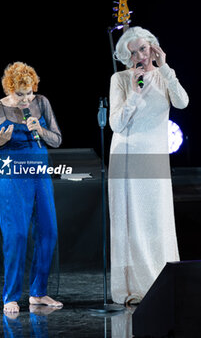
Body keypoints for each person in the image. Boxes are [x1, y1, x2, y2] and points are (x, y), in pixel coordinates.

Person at [108, 26, 189, 305]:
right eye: (133, 52)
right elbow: (116, 123)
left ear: (153, 48)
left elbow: (182, 102)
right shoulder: (120, 79)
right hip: (127, 158)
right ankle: (132, 287)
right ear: (127, 57)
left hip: (154, 159)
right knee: (132, 223)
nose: (139, 56)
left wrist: (165, 69)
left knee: (157, 218)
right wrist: (134, 91)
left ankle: (160, 282)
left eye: (143, 49)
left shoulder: (164, 76)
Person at [0, 61, 63, 313]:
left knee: (48, 232)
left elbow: (57, 139)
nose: (27, 99)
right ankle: (10, 296)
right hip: (11, 174)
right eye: (20, 94)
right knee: (16, 235)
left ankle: (38, 293)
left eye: (30, 93)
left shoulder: (42, 103)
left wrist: (41, 129)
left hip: (39, 172)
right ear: (9, 90)